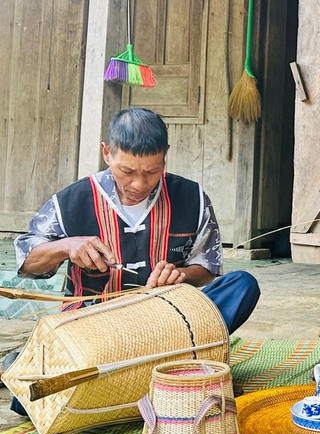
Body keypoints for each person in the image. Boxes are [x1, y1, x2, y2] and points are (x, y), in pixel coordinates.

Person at [10, 108, 259, 414]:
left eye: (152, 172)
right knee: (30, 399)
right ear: (107, 153)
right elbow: (28, 261)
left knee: (242, 285)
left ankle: (130, 377)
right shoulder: (71, 201)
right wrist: (67, 246)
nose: (139, 184)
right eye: (127, 171)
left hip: (169, 325)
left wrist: (180, 274)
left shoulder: (192, 197)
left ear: (165, 156)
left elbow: (207, 267)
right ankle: (166, 374)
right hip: (97, 330)